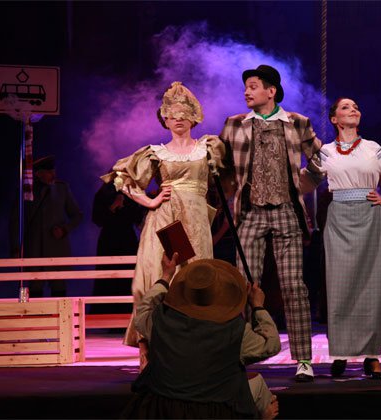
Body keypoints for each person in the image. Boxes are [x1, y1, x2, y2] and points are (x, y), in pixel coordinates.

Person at [101, 82, 225, 370]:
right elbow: (123, 179)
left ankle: (195, 352)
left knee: (195, 280)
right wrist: (149, 201)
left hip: (195, 222)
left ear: (194, 117)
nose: (178, 118)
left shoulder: (208, 148)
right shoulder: (155, 153)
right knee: (155, 278)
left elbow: (229, 177)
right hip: (165, 221)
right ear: (165, 119)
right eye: (172, 114)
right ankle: (148, 350)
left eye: (184, 113)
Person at [219, 64, 324, 382]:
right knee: (243, 285)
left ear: (271, 91)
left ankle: (303, 359)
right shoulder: (235, 124)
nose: (246, 92)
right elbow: (222, 168)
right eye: (245, 87)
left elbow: (320, 164)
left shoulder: (297, 123)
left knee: (294, 286)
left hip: (286, 212)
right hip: (250, 213)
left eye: (253, 86)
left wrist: (298, 187)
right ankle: (240, 354)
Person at [306, 97, 381, 379]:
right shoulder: (326, 151)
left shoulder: (371, 148)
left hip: (370, 218)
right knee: (340, 287)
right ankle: (341, 353)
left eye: (355, 107)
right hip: (339, 221)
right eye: (346, 107)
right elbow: (306, 180)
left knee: (373, 287)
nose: (353, 109)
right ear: (334, 119)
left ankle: (372, 357)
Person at [121, 253, 281, 419]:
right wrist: (258, 306)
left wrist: (166, 276)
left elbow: (143, 310)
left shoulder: (161, 321)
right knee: (259, 387)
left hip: (164, 409)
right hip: (213, 411)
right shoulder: (234, 330)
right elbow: (271, 344)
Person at [10, 155, 83, 297]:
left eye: (53, 171)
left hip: (57, 249)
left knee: (59, 290)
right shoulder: (26, 191)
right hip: (34, 249)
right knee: (35, 289)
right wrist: (15, 248)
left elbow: (77, 215)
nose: (53, 175)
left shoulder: (62, 188)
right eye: (49, 172)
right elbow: (15, 221)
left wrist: (64, 229)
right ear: (38, 174)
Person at [91, 179, 145, 314]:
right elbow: (97, 219)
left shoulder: (131, 194)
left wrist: (145, 201)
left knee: (128, 277)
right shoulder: (102, 194)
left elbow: (137, 218)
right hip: (108, 241)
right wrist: (113, 206)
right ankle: (106, 313)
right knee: (107, 277)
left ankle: (128, 311)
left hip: (127, 240)